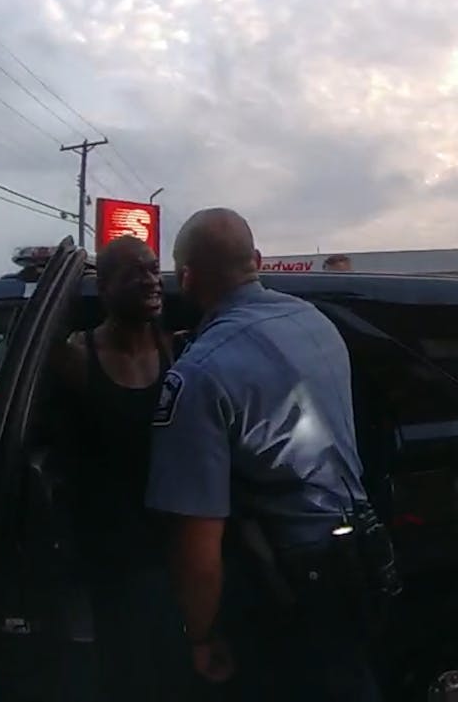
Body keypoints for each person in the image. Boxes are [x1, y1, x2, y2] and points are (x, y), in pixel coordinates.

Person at [145, 208, 390, 702]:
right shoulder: (314, 322)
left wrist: (200, 635)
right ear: (256, 259)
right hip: (363, 552)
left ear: (187, 278)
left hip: (288, 583)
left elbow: (197, 538)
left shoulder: (200, 375)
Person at [50, 234, 192, 701]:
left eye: (154, 270)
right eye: (137, 273)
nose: (152, 281)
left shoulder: (181, 352)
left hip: (176, 545)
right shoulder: (75, 359)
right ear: (105, 288)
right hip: (109, 554)